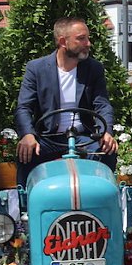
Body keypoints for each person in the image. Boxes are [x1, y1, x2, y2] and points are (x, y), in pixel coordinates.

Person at [15, 17, 117, 187]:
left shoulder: (94, 68)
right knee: (27, 153)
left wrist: (107, 132)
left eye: (87, 38)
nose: (88, 43)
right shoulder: (36, 68)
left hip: (83, 137)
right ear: (63, 41)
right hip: (49, 138)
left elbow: (102, 104)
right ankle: (26, 207)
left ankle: (103, 204)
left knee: (106, 152)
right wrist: (27, 134)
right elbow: (24, 107)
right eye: (81, 38)